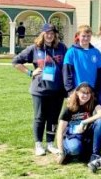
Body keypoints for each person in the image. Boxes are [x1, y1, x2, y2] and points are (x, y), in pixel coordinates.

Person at [12, 23, 68, 156]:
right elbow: (15, 62)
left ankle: (50, 143)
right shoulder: (35, 48)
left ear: (55, 35)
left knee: (53, 118)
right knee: (39, 117)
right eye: (47, 33)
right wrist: (30, 73)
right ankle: (38, 144)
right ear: (42, 34)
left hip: (57, 89)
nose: (50, 35)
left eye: (52, 33)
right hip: (40, 90)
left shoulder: (62, 48)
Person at [55, 82, 101, 164]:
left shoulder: (92, 102)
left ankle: (95, 154)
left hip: (86, 136)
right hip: (73, 136)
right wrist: (61, 152)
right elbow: (60, 131)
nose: (86, 96)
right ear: (77, 92)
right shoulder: (69, 108)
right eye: (83, 93)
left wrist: (84, 122)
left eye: (88, 93)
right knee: (75, 148)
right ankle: (66, 151)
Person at [64, 25, 101, 102]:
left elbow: (100, 73)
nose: (86, 38)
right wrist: (70, 90)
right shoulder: (71, 52)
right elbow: (67, 73)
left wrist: (97, 88)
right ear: (78, 36)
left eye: (88, 36)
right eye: (83, 36)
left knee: (91, 113)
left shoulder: (96, 52)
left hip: (92, 91)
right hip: (76, 91)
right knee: (77, 114)